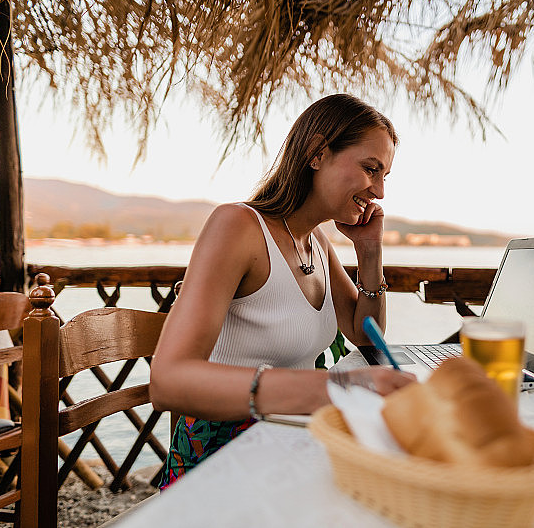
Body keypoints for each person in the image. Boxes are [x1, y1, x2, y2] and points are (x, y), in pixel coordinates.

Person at [150, 94, 415, 488]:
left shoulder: (317, 242)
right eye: (370, 169)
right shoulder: (237, 226)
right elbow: (168, 381)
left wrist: (370, 252)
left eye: (384, 176)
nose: (378, 191)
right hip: (224, 459)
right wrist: (339, 389)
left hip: (293, 443)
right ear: (317, 153)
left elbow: (365, 333)